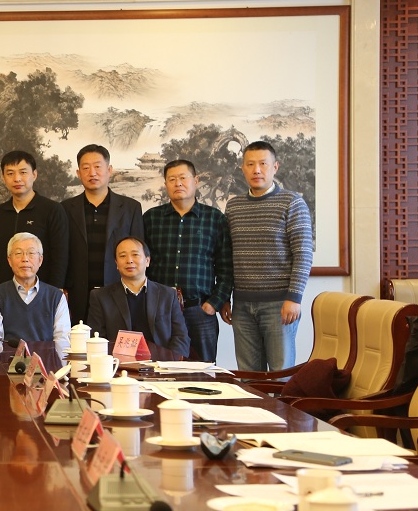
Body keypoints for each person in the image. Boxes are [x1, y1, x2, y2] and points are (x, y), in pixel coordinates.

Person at [223, 140, 313, 372]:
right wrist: (225, 297)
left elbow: (303, 254)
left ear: (275, 167)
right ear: (242, 168)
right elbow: (227, 255)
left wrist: (294, 298)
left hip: (280, 304)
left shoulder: (292, 203)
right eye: (250, 164)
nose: (257, 170)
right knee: (248, 374)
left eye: (263, 164)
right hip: (242, 305)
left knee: (280, 373)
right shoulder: (234, 207)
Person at [143, 159, 233, 362]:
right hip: (160, 310)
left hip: (200, 310)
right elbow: (142, 266)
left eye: (183, 178)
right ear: (165, 184)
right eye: (172, 179)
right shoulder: (151, 218)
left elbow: (226, 268)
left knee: (204, 370)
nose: (178, 183)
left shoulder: (214, 219)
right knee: (160, 367)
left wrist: (214, 303)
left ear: (196, 180)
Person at [62, 144, 144, 324]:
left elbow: (139, 253)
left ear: (109, 170)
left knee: (117, 340)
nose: (92, 173)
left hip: (119, 291)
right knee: (79, 341)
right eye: (86, 168)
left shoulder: (130, 208)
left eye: (98, 166)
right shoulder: (65, 209)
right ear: (78, 173)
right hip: (78, 295)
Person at [0, 150, 68, 291]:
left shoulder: (52, 210)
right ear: (3, 177)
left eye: (23, 172)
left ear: (34, 174)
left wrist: (53, 294)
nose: (17, 179)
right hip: (2, 295)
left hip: (40, 294)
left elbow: (60, 258)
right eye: (10, 173)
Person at [87, 237, 190, 357]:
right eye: (122, 256)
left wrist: (169, 362)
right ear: (116, 263)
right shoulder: (100, 297)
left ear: (147, 261)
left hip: (161, 364)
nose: (129, 260)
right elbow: (97, 339)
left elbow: (180, 337)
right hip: (118, 364)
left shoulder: (168, 295)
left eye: (135, 254)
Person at [0, 233, 70, 355]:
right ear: (9, 260)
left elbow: (62, 342)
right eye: (18, 253)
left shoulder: (56, 297)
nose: (25, 259)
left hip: (46, 365)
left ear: (40, 260)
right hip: (7, 364)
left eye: (31, 253)